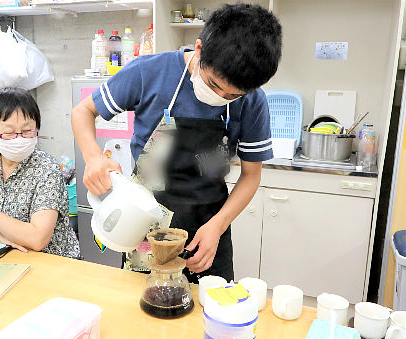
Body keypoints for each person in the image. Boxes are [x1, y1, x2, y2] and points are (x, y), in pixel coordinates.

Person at [71, 4, 282, 282]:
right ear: (199, 48)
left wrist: (217, 227)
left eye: (233, 95)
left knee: (208, 313)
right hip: (143, 224)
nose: (220, 97)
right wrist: (94, 157)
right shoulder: (149, 73)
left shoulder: (253, 100)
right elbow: (82, 111)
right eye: (214, 85)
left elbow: (251, 175)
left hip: (208, 230)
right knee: (142, 306)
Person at [0, 88, 80, 258]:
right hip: (6, 256)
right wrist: (3, 239)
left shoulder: (46, 169)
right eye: (9, 132)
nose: (19, 138)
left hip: (51, 263)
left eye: (27, 131)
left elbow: (37, 239)